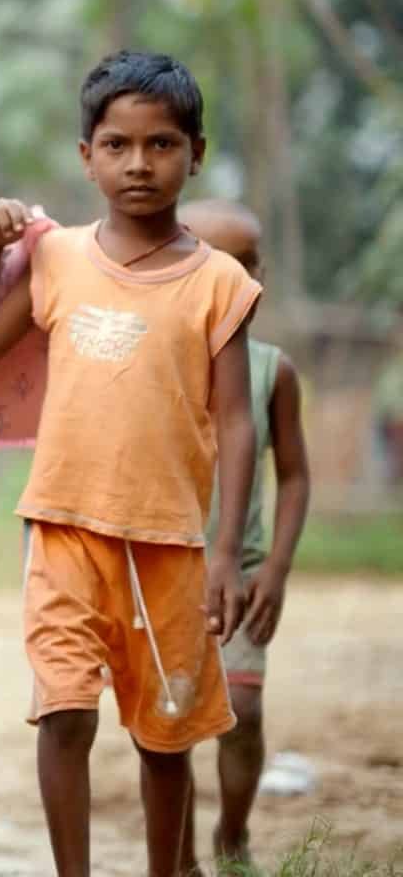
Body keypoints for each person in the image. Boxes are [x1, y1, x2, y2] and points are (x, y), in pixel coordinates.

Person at [0, 50, 261, 877]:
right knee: (65, 715)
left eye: (161, 144)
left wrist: (227, 550)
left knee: (165, 735)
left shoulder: (220, 283)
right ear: (86, 156)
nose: (139, 163)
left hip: (170, 544)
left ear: (196, 150)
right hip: (61, 528)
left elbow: (236, 419)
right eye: (117, 145)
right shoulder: (56, 260)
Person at [179, 199, 311, 870]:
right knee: (168, 729)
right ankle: (174, 853)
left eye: (249, 265)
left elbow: (292, 477)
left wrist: (277, 571)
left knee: (244, 715)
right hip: (165, 568)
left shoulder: (271, 370)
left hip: (244, 574)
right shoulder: (156, 363)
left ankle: (231, 832)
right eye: (218, 266)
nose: (238, 281)